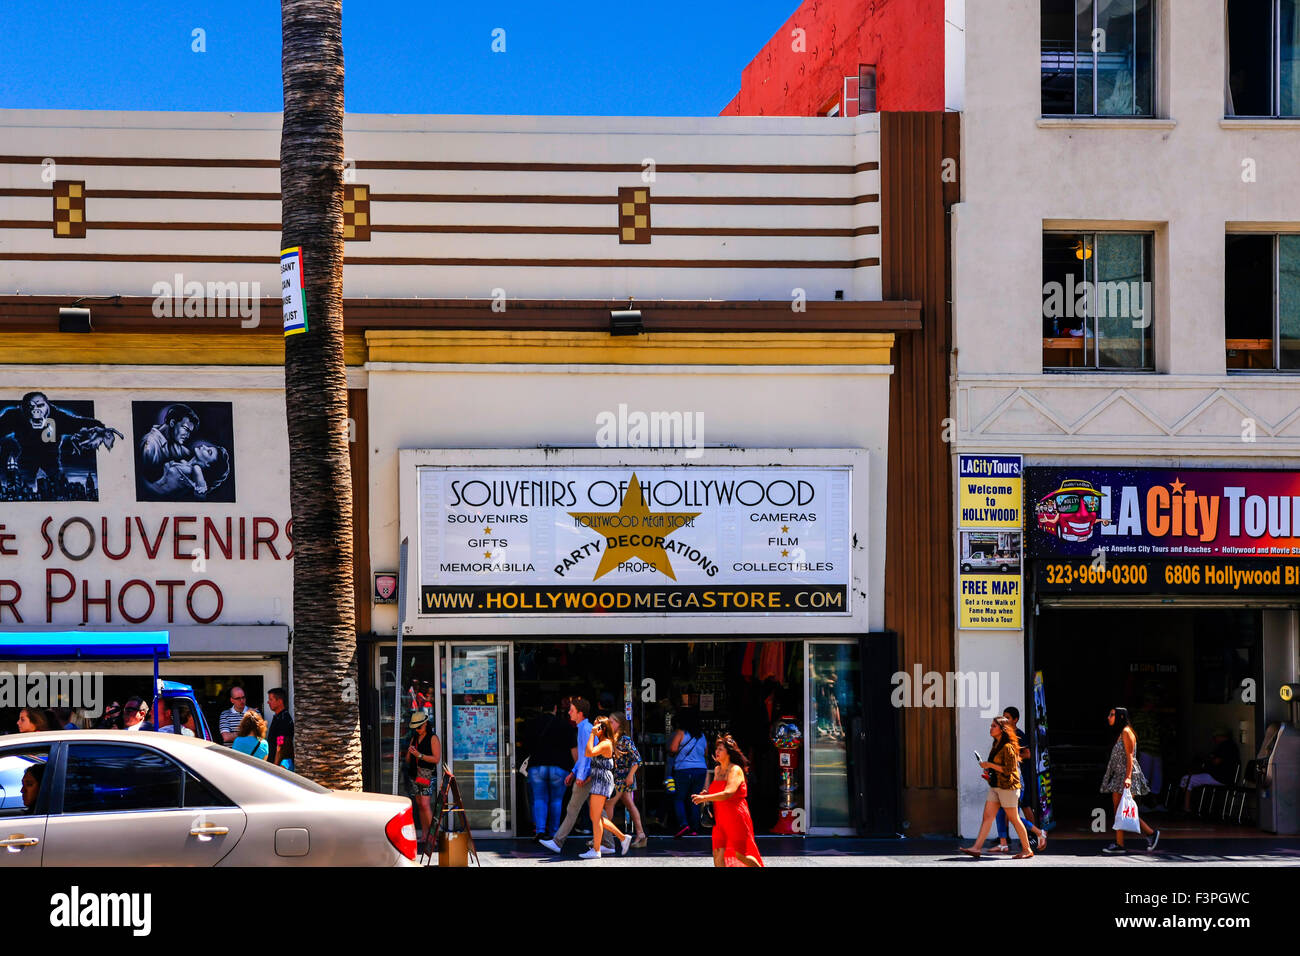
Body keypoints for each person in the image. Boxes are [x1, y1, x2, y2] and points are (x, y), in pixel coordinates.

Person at [960, 716, 1035, 859]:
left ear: (1002, 729)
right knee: (987, 817)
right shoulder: (996, 744)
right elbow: (997, 768)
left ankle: (1027, 849)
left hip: (1008, 788)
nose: (991, 728)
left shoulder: (1008, 747)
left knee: (1014, 819)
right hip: (996, 786)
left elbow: (1009, 770)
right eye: (991, 725)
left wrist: (989, 765)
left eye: (994, 726)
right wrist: (989, 772)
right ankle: (976, 848)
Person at [692, 734, 764, 867]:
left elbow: (728, 793)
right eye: (716, 749)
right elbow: (717, 791)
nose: (716, 752)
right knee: (718, 852)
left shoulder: (735, 769)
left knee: (741, 854)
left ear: (729, 753)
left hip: (736, 817)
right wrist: (707, 793)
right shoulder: (718, 769)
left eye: (720, 749)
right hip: (720, 818)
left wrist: (705, 797)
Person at [1101, 706, 1160, 854]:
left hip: (1126, 777)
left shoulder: (1127, 732)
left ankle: (1151, 833)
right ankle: (1120, 844)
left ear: (1120, 717)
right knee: (1119, 811)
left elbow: (1130, 757)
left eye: (1112, 714)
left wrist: (1127, 778)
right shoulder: (1122, 732)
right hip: (1119, 776)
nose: (1109, 717)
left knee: (1125, 810)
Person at [540, 698, 595, 854]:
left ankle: (558, 841)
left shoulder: (585, 729)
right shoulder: (584, 728)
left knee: (572, 808)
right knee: (597, 812)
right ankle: (611, 842)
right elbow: (585, 756)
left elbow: (587, 756)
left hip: (586, 777)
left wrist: (580, 776)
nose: (568, 712)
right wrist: (573, 772)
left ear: (580, 713)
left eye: (572, 710)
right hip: (587, 775)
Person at [991, 705, 1047, 853]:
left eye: (1008, 717)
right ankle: (1005, 838)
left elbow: (1027, 754)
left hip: (1018, 778)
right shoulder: (1004, 735)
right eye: (1004, 717)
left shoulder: (1019, 735)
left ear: (1015, 720)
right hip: (1006, 779)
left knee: (1023, 806)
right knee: (1005, 810)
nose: (1005, 719)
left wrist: (1012, 758)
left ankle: (1034, 834)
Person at [576, 717, 632, 859]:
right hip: (599, 780)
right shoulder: (604, 742)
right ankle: (620, 839)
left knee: (595, 817)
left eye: (597, 727)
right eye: (594, 726)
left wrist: (592, 734)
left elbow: (588, 752)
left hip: (602, 782)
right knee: (596, 816)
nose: (595, 728)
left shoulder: (605, 743)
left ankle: (599, 849)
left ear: (603, 729)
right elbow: (598, 765)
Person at [524, 699, 575, 842]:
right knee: (556, 800)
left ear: (541, 708)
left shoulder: (531, 724)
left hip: (536, 766)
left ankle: (540, 830)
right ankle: (554, 832)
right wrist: (575, 769)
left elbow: (525, 745)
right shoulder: (564, 725)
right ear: (555, 708)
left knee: (539, 799)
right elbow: (573, 748)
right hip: (559, 767)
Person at [605, 712, 647, 848]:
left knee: (609, 804)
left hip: (623, 777)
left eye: (613, 722)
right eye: (609, 721)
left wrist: (630, 776)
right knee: (629, 804)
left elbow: (637, 760)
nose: (609, 724)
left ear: (620, 724)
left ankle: (603, 836)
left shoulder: (625, 740)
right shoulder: (611, 739)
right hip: (616, 776)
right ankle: (640, 835)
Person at [1179, 728, 1241, 811]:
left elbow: (1216, 761)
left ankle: (1187, 807)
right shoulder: (1229, 745)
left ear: (1220, 736)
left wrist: (1208, 758)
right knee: (1190, 777)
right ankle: (1189, 805)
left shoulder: (1226, 746)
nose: (1214, 739)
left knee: (1186, 779)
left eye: (1215, 737)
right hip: (1221, 776)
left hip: (1220, 777)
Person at [669, 709, 709, 837]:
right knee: (695, 799)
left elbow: (673, 748)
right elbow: (706, 753)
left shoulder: (681, 733)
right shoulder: (702, 735)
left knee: (679, 798)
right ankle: (695, 828)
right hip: (700, 769)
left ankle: (683, 824)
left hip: (684, 769)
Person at [405, 711, 441, 841]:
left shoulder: (433, 738)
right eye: (415, 728)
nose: (417, 730)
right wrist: (410, 752)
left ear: (425, 724)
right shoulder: (414, 738)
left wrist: (420, 755)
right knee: (420, 805)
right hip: (415, 774)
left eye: (419, 727)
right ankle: (425, 835)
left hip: (427, 774)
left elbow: (436, 759)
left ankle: (434, 836)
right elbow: (408, 760)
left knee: (425, 805)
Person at [266, 687, 295, 769]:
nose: (268, 702)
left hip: (280, 766)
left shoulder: (284, 719)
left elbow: (280, 744)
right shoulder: (278, 717)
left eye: (271, 699)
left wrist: (275, 766)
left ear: (279, 701)